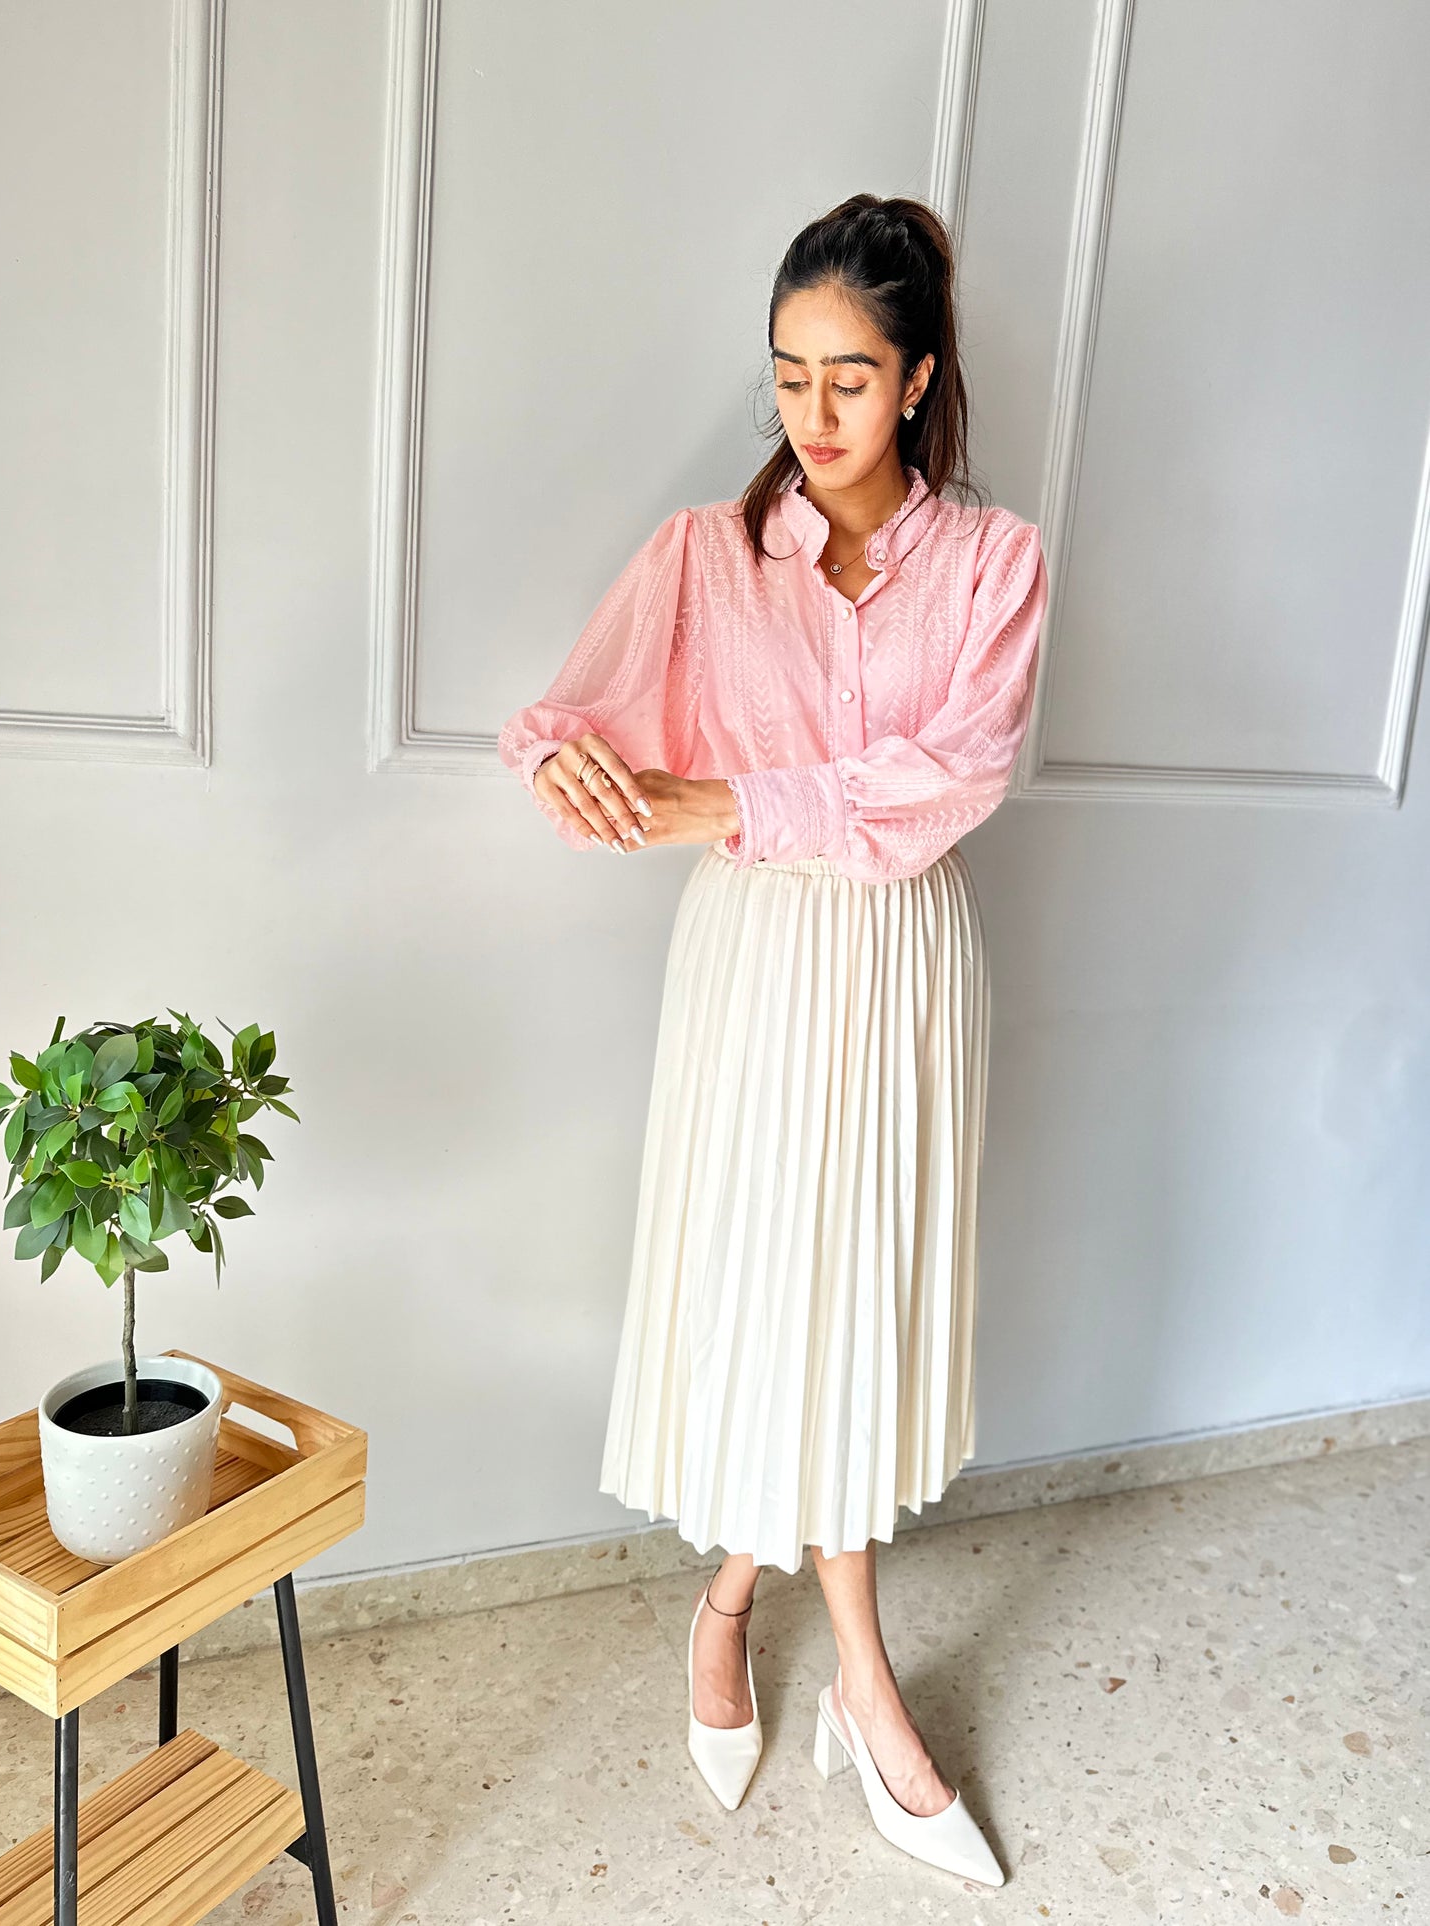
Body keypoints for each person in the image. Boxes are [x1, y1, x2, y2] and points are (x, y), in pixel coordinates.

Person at [497, 192, 1047, 1888]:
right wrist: (568, 770)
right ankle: (844, 1670)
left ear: (920, 378)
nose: (813, 417)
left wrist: (719, 795)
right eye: (788, 377)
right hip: (752, 966)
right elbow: (561, 718)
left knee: (855, 1306)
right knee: (762, 1291)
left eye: (851, 379)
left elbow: (947, 782)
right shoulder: (701, 556)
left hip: (895, 960)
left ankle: (750, 1608)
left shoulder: (993, 561)